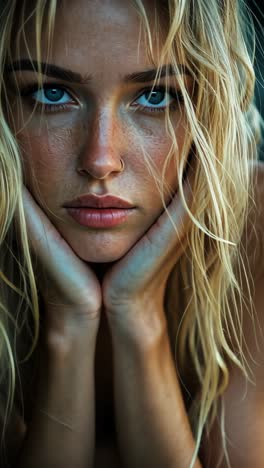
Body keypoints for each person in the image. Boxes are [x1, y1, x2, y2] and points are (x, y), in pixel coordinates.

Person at [0, 0, 263, 467]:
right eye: (51, 93)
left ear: (210, 109)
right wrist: (70, 322)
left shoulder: (255, 229)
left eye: (156, 96)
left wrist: (139, 315)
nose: (101, 159)